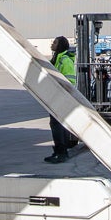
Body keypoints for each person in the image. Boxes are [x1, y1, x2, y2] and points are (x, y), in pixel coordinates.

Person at [44, 36, 81, 164]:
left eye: (54, 42)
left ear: (60, 45)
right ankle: (58, 151)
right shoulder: (56, 59)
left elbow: (70, 81)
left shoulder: (64, 60)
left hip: (61, 96)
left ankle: (62, 152)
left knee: (57, 125)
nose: (52, 43)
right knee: (55, 124)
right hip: (55, 96)